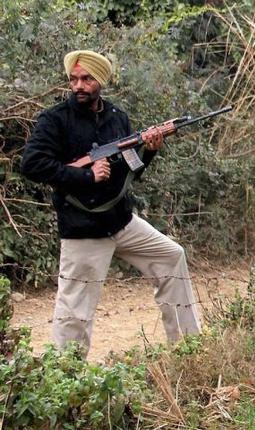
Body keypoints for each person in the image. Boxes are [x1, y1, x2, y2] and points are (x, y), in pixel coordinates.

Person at [20, 50, 201, 355]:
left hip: (121, 221)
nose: (79, 85)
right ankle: (66, 382)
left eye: (87, 79)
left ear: (101, 81)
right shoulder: (55, 120)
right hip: (83, 228)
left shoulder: (116, 117)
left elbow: (129, 170)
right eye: (74, 79)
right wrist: (86, 177)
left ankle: (189, 350)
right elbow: (32, 165)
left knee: (172, 256)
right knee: (73, 311)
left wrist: (150, 149)